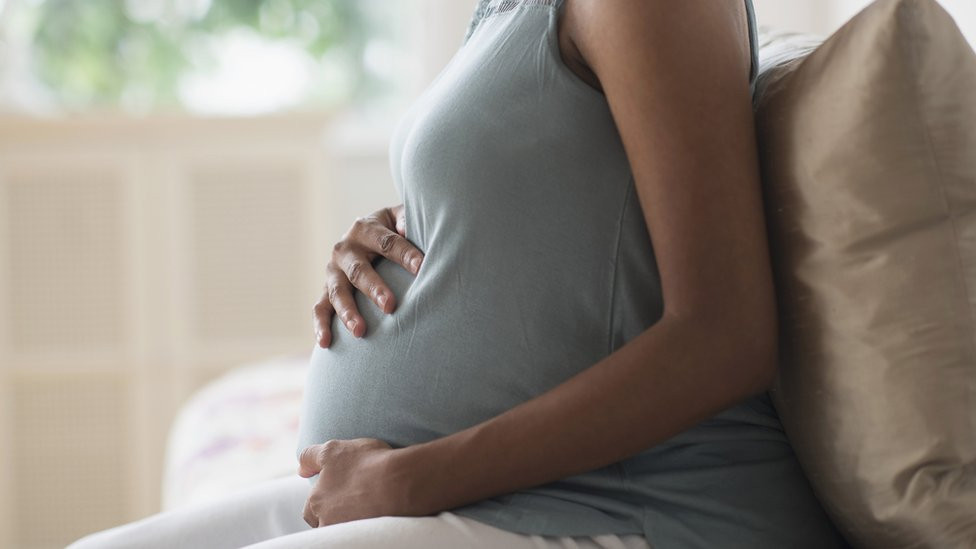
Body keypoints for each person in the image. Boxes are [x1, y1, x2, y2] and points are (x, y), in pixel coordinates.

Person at [68, 0, 849, 547]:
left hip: (636, 509)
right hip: (496, 496)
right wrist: (402, 229)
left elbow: (726, 333)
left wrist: (414, 479)